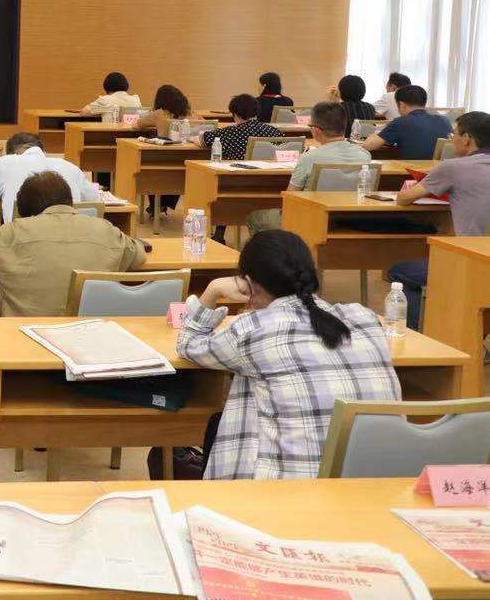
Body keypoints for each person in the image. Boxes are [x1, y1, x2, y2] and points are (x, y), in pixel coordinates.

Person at [177, 229, 400, 479]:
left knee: (247, 389)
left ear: (250, 284)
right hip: (377, 485)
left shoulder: (254, 329)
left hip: (293, 492)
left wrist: (213, 289)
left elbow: (188, 344)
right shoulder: (364, 318)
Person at [0, 171, 145, 317]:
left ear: (23, 209)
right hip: (91, 333)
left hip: (24, 334)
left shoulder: (13, 231)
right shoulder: (106, 230)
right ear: (70, 201)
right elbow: (139, 256)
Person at [386, 111, 490, 329]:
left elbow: (403, 199)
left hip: (473, 261)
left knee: (399, 271)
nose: (452, 139)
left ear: (467, 139)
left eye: (454, 134)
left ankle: (424, 334)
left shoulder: (454, 167)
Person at [246, 102, 371, 233]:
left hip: (309, 218)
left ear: (316, 130)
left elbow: (290, 197)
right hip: (349, 218)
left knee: (255, 218)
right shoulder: (365, 155)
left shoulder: (309, 157)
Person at [0, 131, 99, 222]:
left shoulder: (6, 162)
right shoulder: (70, 166)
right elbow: (95, 203)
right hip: (69, 240)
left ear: (11, 153)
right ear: (43, 151)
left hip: (23, 242)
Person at [365, 84, 452, 160]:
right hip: (440, 171)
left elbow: (369, 146)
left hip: (410, 171)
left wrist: (373, 135)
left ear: (402, 105)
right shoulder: (444, 120)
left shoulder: (400, 122)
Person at [200, 94, 283, 160]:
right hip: (270, 173)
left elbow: (203, 139)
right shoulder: (275, 132)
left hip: (236, 173)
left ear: (236, 115)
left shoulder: (229, 132)